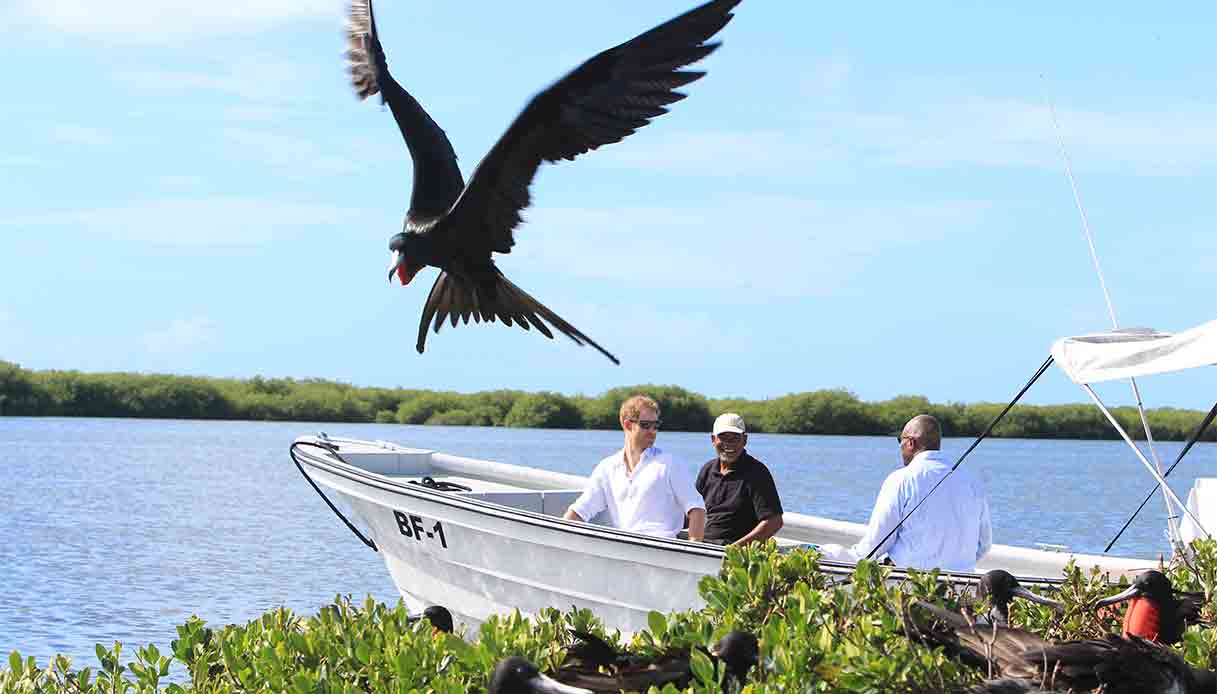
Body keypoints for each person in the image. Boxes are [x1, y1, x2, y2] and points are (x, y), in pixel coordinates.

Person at [824, 414, 991, 572]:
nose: (900, 447)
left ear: (910, 443)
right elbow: (984, 545)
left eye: (900, 441)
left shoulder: (900, 479)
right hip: (963, 584)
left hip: (909, 585)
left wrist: (846, 557)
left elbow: (876, 544)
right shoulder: (973, 481)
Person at [563, 395, 705, 540]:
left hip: (662, 549)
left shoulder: (670, 464)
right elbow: (580, 511)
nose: (653, 431)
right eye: (646, 425)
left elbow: (697, 509)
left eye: (656, 425)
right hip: (624, 548)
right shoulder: (607, 468)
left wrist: (692, 552)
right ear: (627, 425)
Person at [696, 413, 784, 546]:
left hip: (737, 554)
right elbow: (693, 510)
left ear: (745, 440)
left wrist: (734, 550)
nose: (729, 443)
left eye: (735, 438)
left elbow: (774, 521)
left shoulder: (757, 472)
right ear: (713, 439)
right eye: (723, 437)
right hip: (705, 546)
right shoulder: (707, 470)